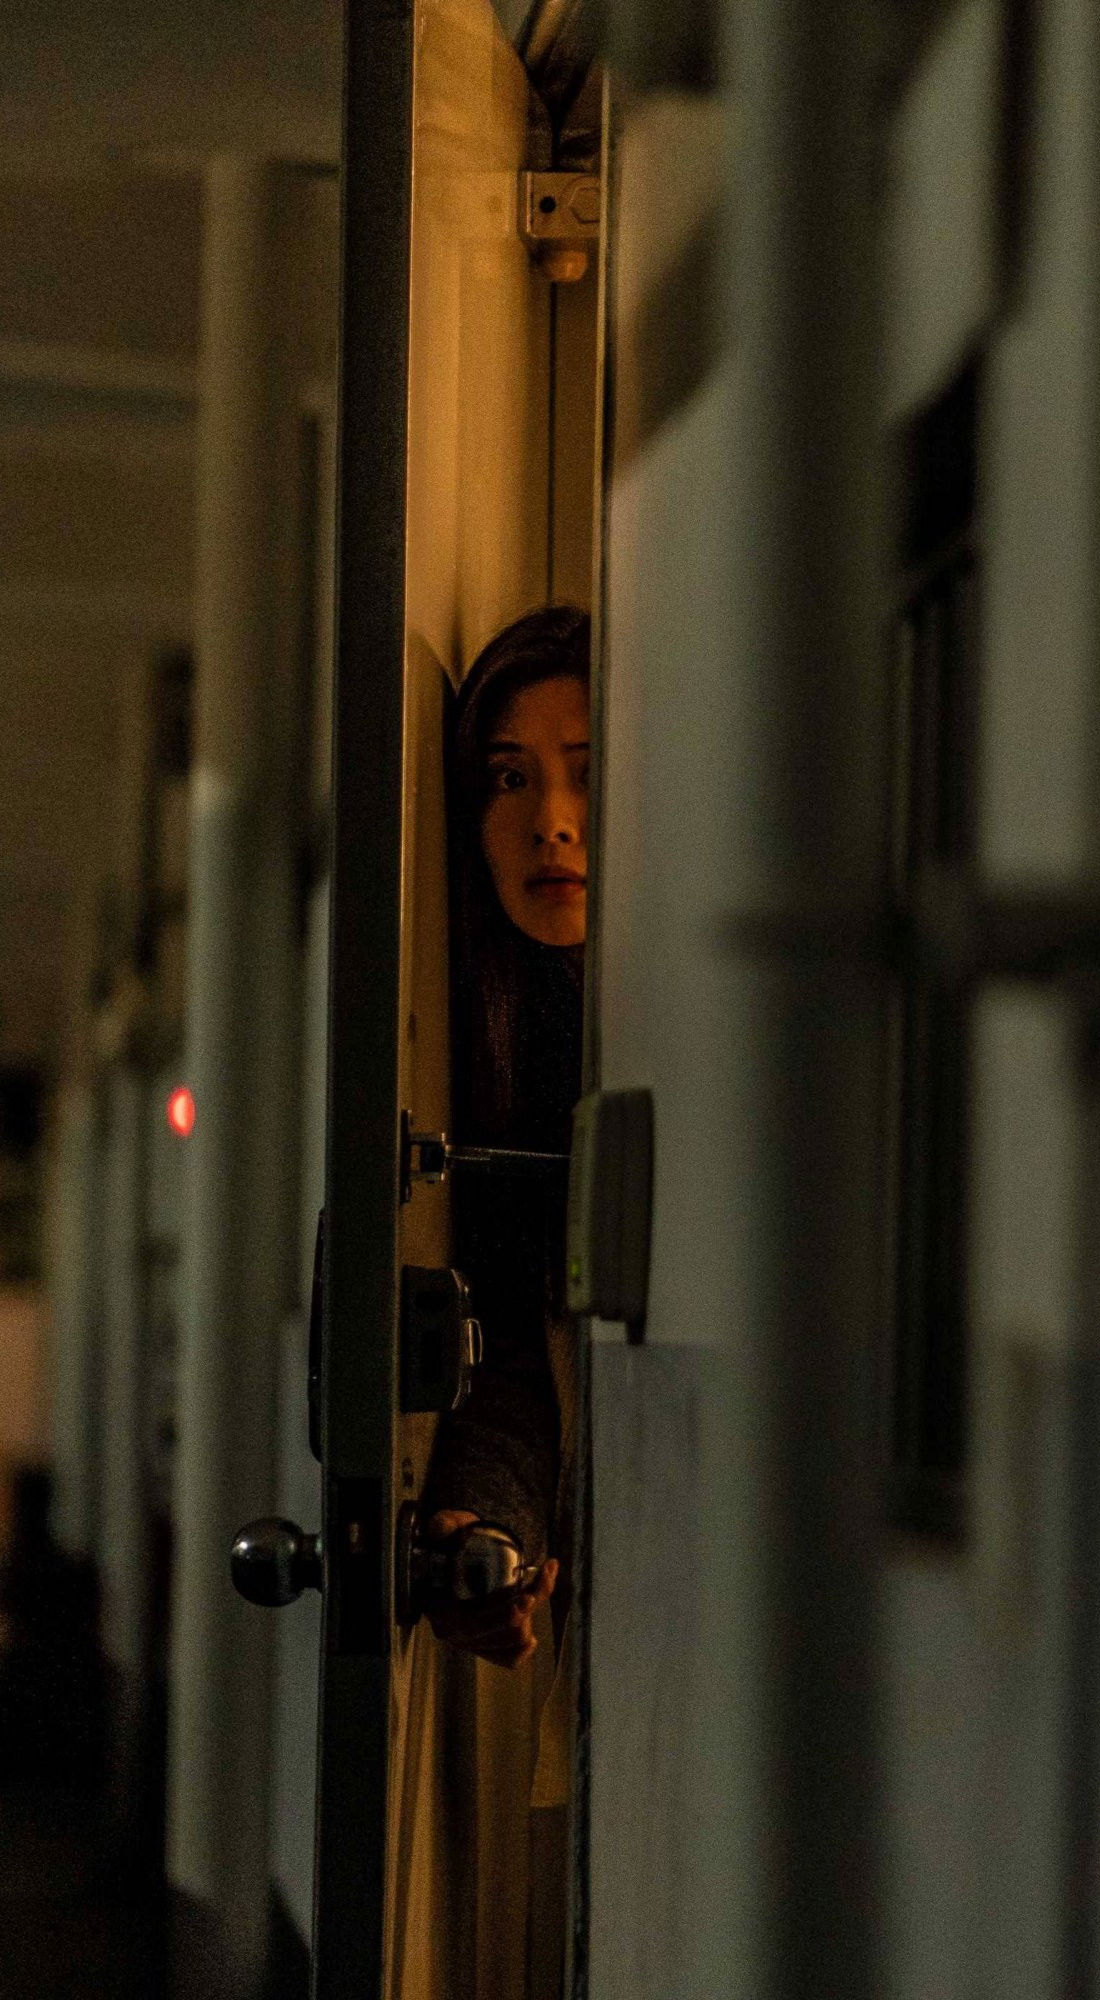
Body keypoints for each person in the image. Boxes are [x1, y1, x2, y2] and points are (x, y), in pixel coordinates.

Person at [421, 603, 590, 1670]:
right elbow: (516, 1353)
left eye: (587, 773)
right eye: (510, 778)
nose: (552, 822)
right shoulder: (504, 1050)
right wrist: (483, 1531)